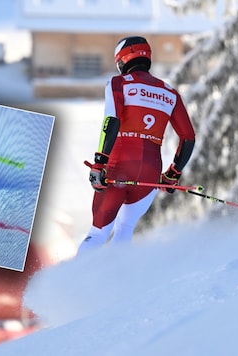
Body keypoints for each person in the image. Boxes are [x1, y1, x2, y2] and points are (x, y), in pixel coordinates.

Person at [78, 36, 196, 254]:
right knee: (125, 228)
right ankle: (117, 281)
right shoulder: (170, 93)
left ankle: (72, 284)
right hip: (150, 173)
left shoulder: (119, 83)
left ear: (123, 60)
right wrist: (172, 174)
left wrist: (99, 163)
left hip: (119, 166)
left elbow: (111, 121)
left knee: (98, 233)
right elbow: (188, 137)